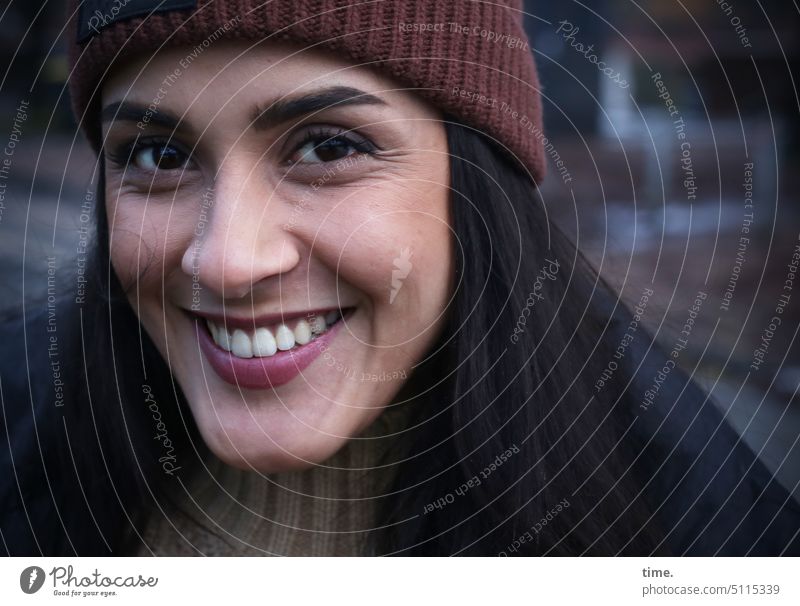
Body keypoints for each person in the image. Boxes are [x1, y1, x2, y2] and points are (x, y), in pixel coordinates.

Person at [1, 0, 797, 556]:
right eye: (158, 155)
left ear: (474, 182)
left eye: (328, 147)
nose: (227, 261)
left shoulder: (704, 531)